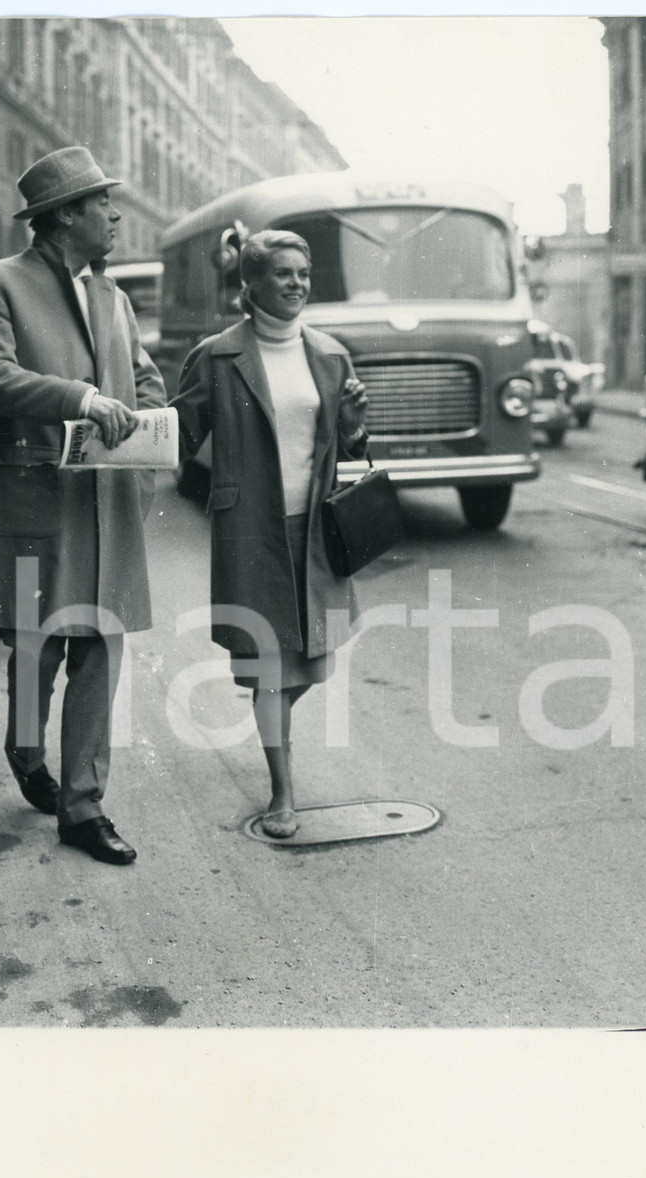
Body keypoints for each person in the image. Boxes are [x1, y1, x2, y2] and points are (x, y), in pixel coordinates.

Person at [0, 147, 166, 865]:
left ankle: (83, 806)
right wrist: (80, 398)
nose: (115, 216)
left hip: (107, 503)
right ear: (65, 215)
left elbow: (143, 378)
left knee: (100, 648)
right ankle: (25, 750)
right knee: (37, 647)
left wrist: (153, 421)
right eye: (104, 203)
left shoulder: (114, 297)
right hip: (35, 503)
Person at [172, 230, 370, 839]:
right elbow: (178, 437)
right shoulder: (217, 357)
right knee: (268, 669)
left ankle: (271, 720)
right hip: (250, 530)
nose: (296, 284)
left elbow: (349, 448)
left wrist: (354, 426)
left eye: (303, 273)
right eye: (282, 273)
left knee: (309, 662)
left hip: (315, 528)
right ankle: (283, 792)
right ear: (251, 283)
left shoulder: (331, 355)